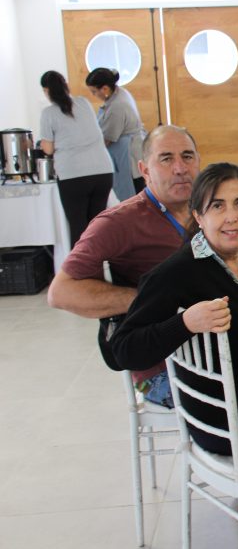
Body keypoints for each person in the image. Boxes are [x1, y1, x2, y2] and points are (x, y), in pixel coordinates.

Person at [112, 163, 238, 456]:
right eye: (217, 206)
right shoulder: (177, 273)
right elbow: (124, 350)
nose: (232, 217)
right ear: (199, 217)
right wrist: (184, 323)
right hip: (223, 419)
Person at [47, 125, 200, 408]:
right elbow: (61, 293)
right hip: (162, 367)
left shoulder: (206, 211)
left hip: (212, 348)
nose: (180, 168)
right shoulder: (120, 221)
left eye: (188, 156)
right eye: (166, 158)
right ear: (144, 170)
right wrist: (143, 301)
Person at [38, 70, 114, 246]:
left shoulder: (48, 113)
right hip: (102, 171)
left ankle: (81, 272)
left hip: (73, 175)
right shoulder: (83, 103)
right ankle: (103, 268)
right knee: (97, 226)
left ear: (46, 91)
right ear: (66, 86)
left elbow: (48, 149)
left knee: (79, 228)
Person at [85, 67, 147, 201]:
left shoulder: (117, 106)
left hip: (128, 154)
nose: (94, 95)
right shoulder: (120, 92)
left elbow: (107, 139)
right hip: (131, 149)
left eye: (94, 92)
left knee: (133, 196)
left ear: (105, 89)